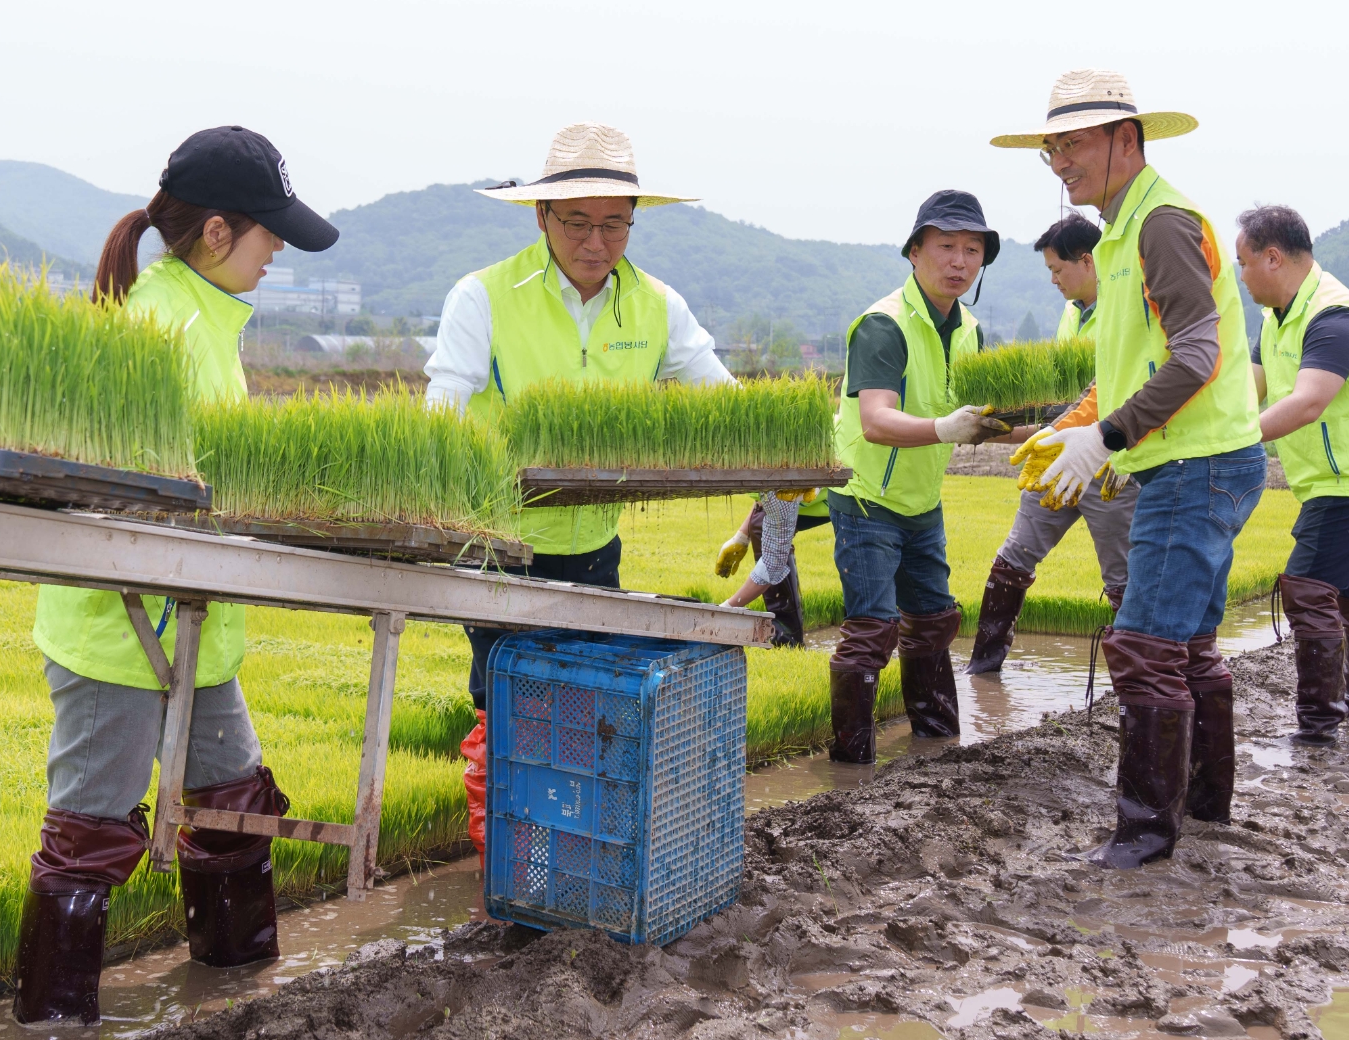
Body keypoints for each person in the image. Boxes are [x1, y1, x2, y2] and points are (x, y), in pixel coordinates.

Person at [15, 126, 340, 1025]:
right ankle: (50, 1038)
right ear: (217, 233)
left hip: (197, 622)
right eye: (270, 233)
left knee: (233, 800)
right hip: (121, 630)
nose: (278, 251)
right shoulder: (162, 327)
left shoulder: (205, 317)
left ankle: (236, 998)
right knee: (91, 828)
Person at [423, 122, 732, 868]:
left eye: (614, 224)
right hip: (500, 551)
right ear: (541, 216)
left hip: (594, 548)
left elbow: (723, 398)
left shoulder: (657, 305)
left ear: (634, 221)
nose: (596, 243)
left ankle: (571, 866)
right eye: (577, 223)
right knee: (510, 711)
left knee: (589, 711)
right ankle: (511, 872)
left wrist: (798, 449)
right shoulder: (484, 296)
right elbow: (442, 411)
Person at [992, 69, 1266, 868]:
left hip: (1194, 464)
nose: (1060, 163)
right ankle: (1205, 806)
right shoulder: (1116, 236)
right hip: (1191, 462)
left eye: (1074, 144)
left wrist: (1107, 438)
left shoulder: (1161, 226)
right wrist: (1072, 426)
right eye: (1051, 149)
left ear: (1127, 139)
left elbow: (1196, 356)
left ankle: (1143, 839)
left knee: (1143, 646)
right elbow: (1123, 368)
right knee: (1188, 646)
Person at [827, 189, 1012, 763]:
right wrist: (945, 428)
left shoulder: (970, 329)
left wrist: (1064, 432)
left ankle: (938, 746)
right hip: (868, 498)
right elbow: (876, 421)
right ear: (914, 252)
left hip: (921, 501)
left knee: (935, 620)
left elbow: (980, 420)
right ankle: (851, 766)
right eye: (946, 246)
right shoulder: (884, 325)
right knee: (872, 629)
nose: (959, 261)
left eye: (973, 250)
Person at [1237, 204, 1349, 744]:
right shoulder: (1276, 317)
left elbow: (1309, 401)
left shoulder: (1336, 318)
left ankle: (1317, 727)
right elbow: (1248, 391)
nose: (1241, 276)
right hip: (1340, 478)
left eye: (1244, 263)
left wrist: (1230, 440)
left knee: (1307, 588)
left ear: (1273, 257)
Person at [964, 214, 1140, 674]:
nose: (1052, 279)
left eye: (1057, 270)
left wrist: (1125, 451)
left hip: (1109, 465)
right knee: (1014, 556)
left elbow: (1137, 388)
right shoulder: (1071, 313)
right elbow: (1066, 396)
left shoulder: (1129, 310)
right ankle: (983, 672)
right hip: (1059, 454)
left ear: (1088, 261)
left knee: (1123, 577)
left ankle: (1136, 684)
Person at [714, 492, 829, 645]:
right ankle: (785, 638)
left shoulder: (786, 491)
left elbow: (772, 565)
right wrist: (741, 536)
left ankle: (787, 639)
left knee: (765, 527)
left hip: (837, 497)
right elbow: (765, 499)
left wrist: (727, 608)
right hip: (792, 496)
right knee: (760, 520)